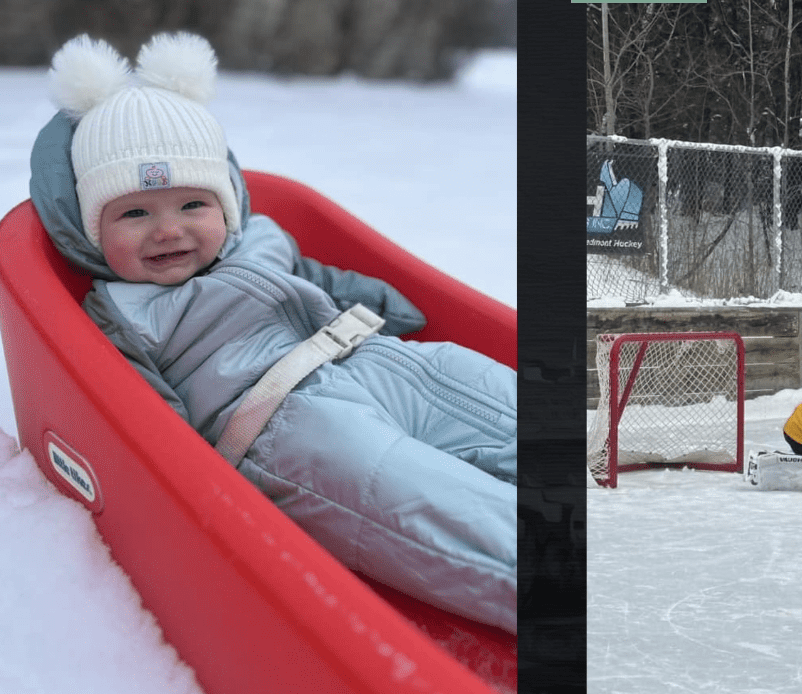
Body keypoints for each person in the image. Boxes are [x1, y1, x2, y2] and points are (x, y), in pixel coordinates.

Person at [28, 31, 517, 634]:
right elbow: (139, 412)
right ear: (90, 227)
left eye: (192, 205)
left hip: (373, 358)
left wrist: (389, 307)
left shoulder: (260, 239)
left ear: (227, 203)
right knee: (423, 501)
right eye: (134, 212)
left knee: (484, 391)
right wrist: (189, 493)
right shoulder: (123, 310)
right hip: (281, 426)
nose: (168, 230)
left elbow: (323, 278)